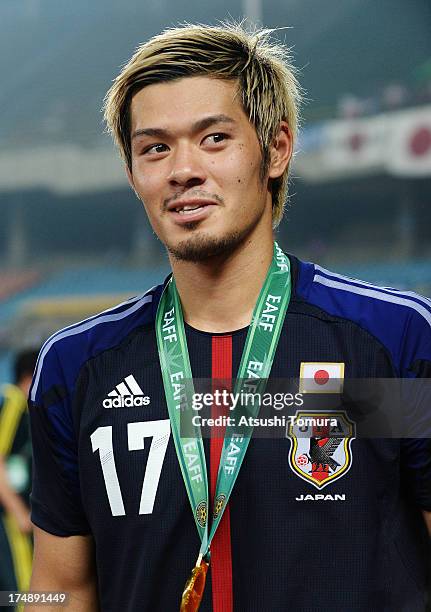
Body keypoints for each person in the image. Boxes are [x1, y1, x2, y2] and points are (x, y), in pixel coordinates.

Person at [27, 23, 431, 612]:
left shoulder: (394, 342)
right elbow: (58, 592)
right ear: (133, 174)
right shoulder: (77, 366)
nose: (182, 169)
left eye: (214, 138)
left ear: (277, 149)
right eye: (154, 147)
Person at [0, 349, 38, 611]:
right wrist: (19, 512)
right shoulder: (12, 399)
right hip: (11, 520)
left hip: (19, 518)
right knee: (23, 591)